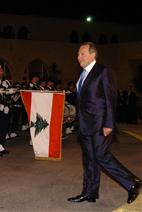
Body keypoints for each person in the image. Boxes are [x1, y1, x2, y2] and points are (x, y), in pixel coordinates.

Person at [67, 42, 140, 204]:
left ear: (93, 55)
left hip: (100, 124)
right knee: (89, 160)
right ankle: (89, 193)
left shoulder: (103, 72)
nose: (78, 57)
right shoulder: (82, 74)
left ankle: (131, 183)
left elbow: (110, 99)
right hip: (85, 125)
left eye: (82, 54)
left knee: (101, 156)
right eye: (78, 54)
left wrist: (109, 123)